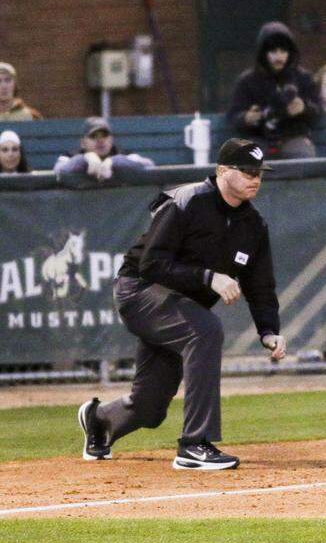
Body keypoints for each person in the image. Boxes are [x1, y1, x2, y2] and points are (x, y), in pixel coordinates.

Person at [77, 138, 286, 471]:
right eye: (246, 170)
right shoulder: (186, 201)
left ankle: (100, 420)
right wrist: (208, 277)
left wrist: (269, 330)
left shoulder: (254, 225)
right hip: (140, 291)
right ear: (221, 171)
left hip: (181, 307)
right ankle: (194, 444)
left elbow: (260, 285)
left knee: (150, 406)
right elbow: (151, 264)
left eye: (259, 172)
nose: (255, 178)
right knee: (205, 331)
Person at [227, 21, 323, 159]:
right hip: (258, 139)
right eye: (273, 51)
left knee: (303, 157)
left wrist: (303, 109)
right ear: (263, 53)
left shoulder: (303, 78)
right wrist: (247, 117)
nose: (279, 57)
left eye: (283, 51)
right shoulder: (247, 81)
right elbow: (233, 115)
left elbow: (318, 109)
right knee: (249, 161)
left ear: (290, 53)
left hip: (294, 138)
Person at [52, 117, 155, 181]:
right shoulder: (70, 156)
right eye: (94, 136)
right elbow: (57, 170)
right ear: (83, 143)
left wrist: (113, 161)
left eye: (104, 135)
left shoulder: (122, 155)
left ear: (111, 139)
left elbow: (149, 165)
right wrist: (85, 159)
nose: (100, 140)